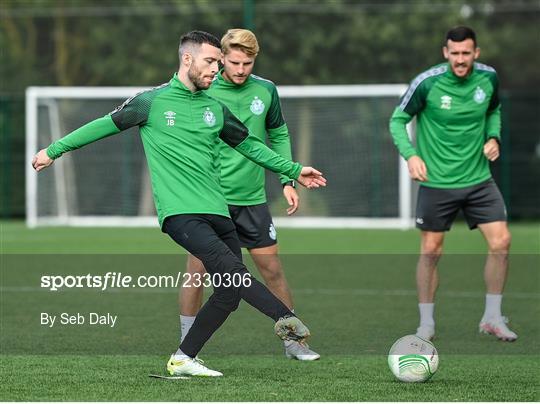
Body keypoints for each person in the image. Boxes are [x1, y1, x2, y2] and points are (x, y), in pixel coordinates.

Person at [32, 30, 327, 377]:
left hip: (219, 211)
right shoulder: (151, 102)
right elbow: (102, 126)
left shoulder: (215, 109)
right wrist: (53, 151)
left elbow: (250, 145)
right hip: (181, 215)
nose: (216, 69)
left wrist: (293, 170)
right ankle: (284, 318)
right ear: (187, 59)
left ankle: (184, 358)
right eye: (210, 62)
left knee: (229, 294)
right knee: (234, 273)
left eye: (219, 63)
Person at [179, 28, 320, 361]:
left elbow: (278, 134)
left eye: (248, 62)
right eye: (234, 62)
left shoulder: (266, 90)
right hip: (209, 199)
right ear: (221, 58)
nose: (241, 69)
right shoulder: (205, 90)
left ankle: (293, 342)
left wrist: (288, 178)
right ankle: (187, 344)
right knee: (197, 271)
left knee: (271, 270)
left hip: (252, 199)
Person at [389, 26, 516, 342]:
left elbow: (494, 110)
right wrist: (411, 155)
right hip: (437, 182)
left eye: (466, 53)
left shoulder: (488, 79)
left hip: (478, 180)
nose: (460, 60)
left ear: (476, 53)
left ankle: (492, 317)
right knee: (431, 251)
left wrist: (493, 137)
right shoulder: (427, 83)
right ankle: (426, 324)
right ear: (446, 53)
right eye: (454, 53)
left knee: (501, 242)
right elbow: (397, 120)